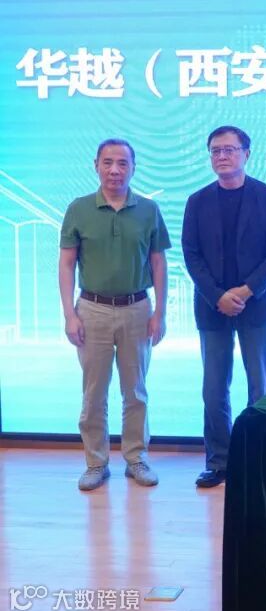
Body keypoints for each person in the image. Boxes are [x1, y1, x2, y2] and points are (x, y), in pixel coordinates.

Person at [59, 138, 170, 491]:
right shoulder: (78, 209)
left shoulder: (149, 210)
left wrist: (160, 313)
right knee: (94, 393)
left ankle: (136, 458)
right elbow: (66, 264)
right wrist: (69, 315)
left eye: (123, 163)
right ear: (96, 165)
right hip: (91, 310)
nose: (115, 170)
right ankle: (96, 463)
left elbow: (158, 263)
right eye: (107, 162)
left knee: (135, 391)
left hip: (137, 309)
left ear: (133, 167)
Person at [182, 126, 266, 489]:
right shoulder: (197, 201)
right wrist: (218, 296)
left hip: (256, 306)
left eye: (229, 149)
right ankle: (219, 461)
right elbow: (192, 256)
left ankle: (260, 459)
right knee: (214, 388)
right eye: (215, 151)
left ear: (246, 153)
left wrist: (245, 291)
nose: (222, 156)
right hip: (212, 308)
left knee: (261, 386)